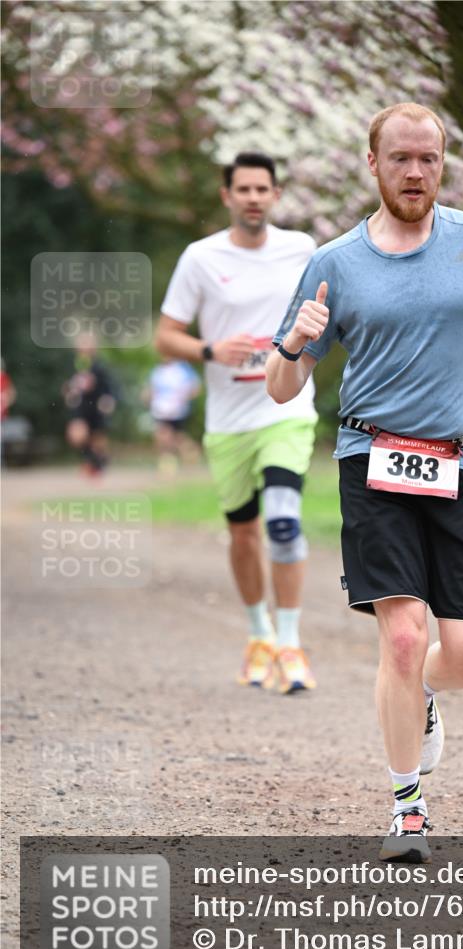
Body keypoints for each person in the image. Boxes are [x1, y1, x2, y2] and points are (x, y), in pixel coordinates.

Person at [267, 103, 463, 860]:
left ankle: (424, 698)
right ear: (371, 164)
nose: (413, 172)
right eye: (399, 158)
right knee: (402, 637)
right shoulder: (333, 263)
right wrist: (296, 344)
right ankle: (407, 806)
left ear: (443, 164)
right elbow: (279, 386)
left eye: (427, 159)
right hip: (372, 462)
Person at [156, 152, 318, 694]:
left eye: (262, 189)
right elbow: (165, 337)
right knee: (244, 535)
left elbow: (334, 315)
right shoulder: (200, 258)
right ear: (226, 196)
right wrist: (208, 349)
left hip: (286, 409)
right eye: (243, 189)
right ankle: (259, 635)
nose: (253, 197)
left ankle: (292, 644)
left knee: (282, 520)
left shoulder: (303, 250)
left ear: (275, 195)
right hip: (228, 421)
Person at [62, 334, 118, 476]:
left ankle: (98, 463)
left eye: (87, 344)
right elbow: (66, 386)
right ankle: (91, 460)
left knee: (97, 441)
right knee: (77, 436)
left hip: (96, 407)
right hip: (80, 407)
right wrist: (68, 393)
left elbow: (110, 387)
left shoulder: (99, 365)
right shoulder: (73, 364)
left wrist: (108, 400)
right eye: (81, 343)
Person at [146, 358, 201, 475]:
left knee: (177, 437)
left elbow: (195, 388)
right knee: (162, 436)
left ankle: (191, 453)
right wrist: (148, 396)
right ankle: (167, 463)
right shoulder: (158, 371)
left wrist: (183, 399)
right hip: (160, 410)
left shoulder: (183, 369)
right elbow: (152, 389)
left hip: (177, 410)